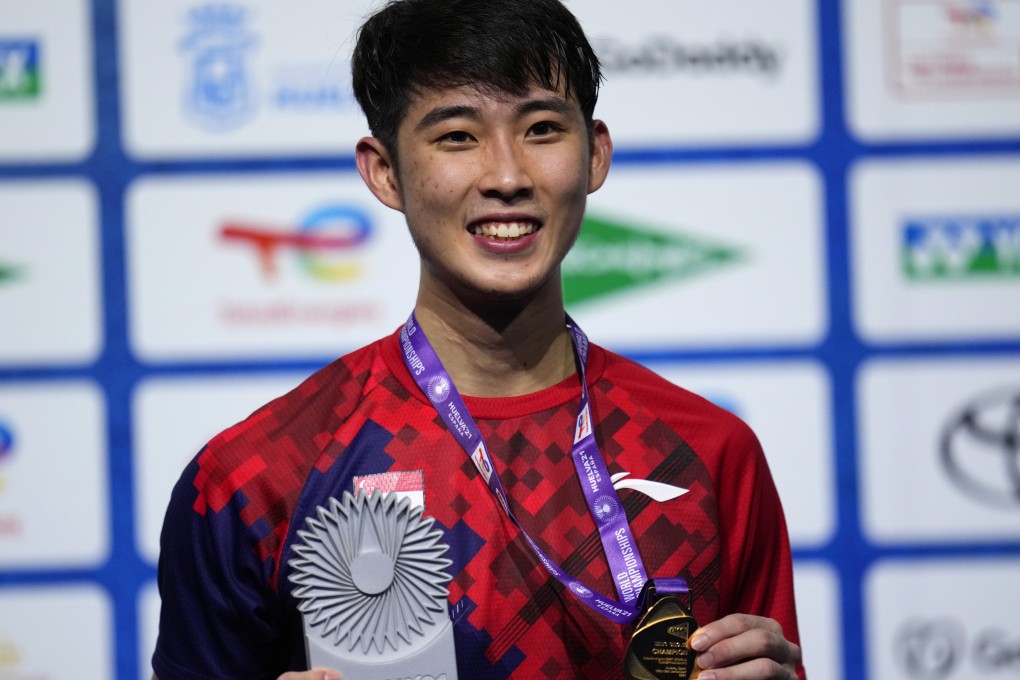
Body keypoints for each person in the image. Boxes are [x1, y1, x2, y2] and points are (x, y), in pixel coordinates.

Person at [152, 1, 805, 678]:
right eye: (458, 136)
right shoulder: (256, 478)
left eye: (543, 129)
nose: (507, 176)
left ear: (595, 154)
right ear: (384, 172)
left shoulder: (709, 450)